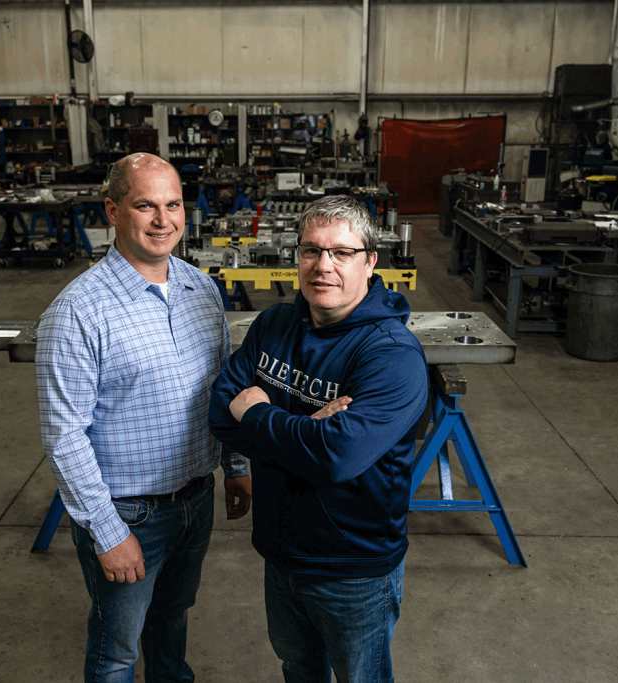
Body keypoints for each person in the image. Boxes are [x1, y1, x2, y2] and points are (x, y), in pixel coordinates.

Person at [36, 152, 252, 683]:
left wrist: (237, 465)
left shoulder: (201, 289)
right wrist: (108, 532)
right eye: (145, 206)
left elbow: (223, 389)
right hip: (129, 512)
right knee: (116, 652)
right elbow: (65, 438)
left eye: (173, 204)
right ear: (113, 211)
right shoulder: (78, 311)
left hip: (195, 501)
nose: (164, 221)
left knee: (171, 622)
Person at [208, 195, 429, 683]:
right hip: (279, 550)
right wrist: (308, 431)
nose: (323, 266)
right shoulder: (273, 325)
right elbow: (220, 417)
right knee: (298, 669)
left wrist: (259, 411)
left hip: (352, 567)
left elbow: (335, 458)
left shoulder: (392, 356)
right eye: (311, 250)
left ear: (370, 261)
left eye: (342, 253)